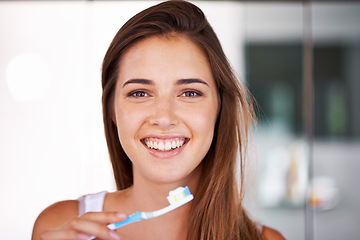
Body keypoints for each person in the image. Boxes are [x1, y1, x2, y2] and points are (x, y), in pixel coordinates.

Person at [32, 1, 285, 239]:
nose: (163, 118)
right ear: (112, 110)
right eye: (140, 93)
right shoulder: (59, 225)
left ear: (220, 108)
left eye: (190, 93)